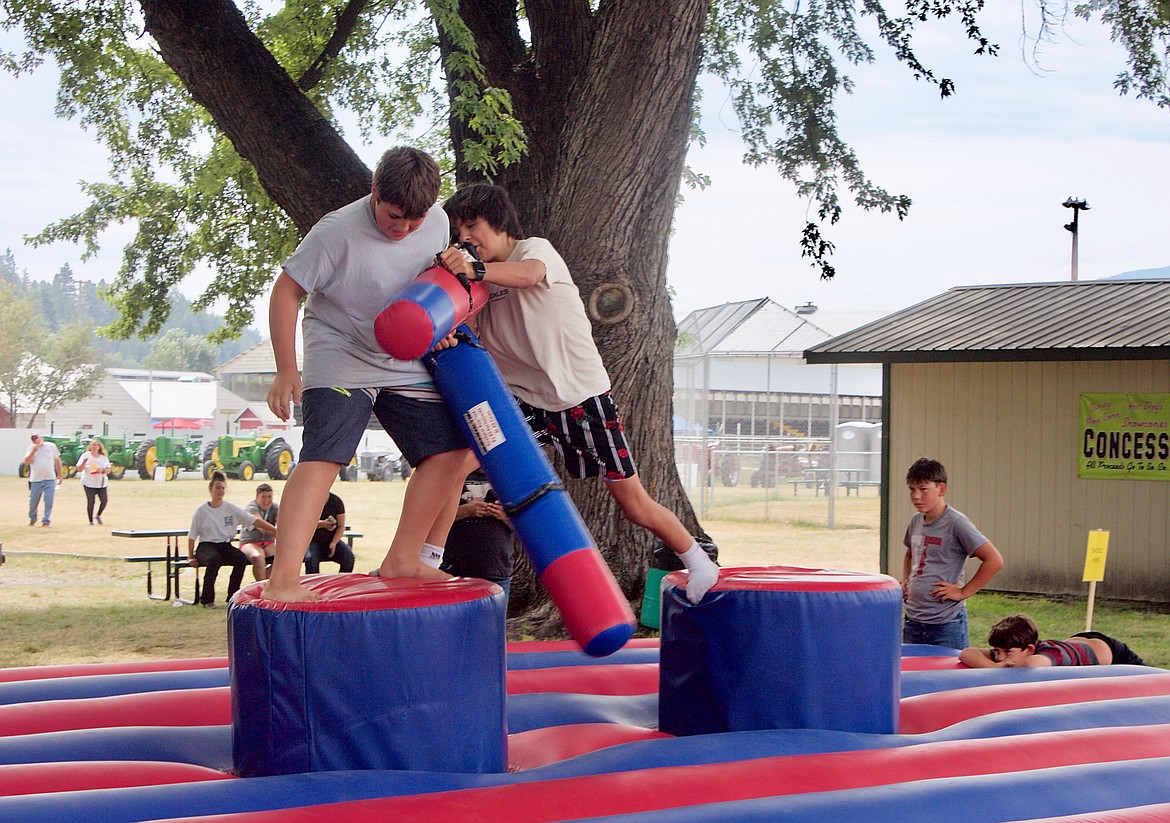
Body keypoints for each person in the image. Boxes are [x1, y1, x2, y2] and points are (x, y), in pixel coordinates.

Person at [438, 183, 719, 605]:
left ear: (497, 221)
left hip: (581, 399)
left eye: (472, 225)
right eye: (458, 231)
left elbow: (530, 275)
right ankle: (427, 557)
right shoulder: (481, 284)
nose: (466, 237)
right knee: (457, 465)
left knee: (634, 504)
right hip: (525, 405)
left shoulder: (534, 251)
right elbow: (472, 331)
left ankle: (698, 561)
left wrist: (474, 270)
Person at [264, 146, 469, 603]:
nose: (403, 229)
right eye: (394, 216)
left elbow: (430, 279)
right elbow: (285, 293)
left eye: (413, 221)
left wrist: (440, 323)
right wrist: (285, 369)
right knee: (327, 455)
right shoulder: (336, 233)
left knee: (452, 451)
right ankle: (283, 580)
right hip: (340, 351)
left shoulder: (435, 221)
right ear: (374, 192)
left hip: (399, 356)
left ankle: (403, 558)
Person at [901, 457, 1004, 649]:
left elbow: (994, 560)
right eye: (911, 489)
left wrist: (963, 592)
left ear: (941, 489)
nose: (916, 496)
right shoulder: (916, 521)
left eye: (923, 489)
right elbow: (910, 553)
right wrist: (906, 580)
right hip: (913, 621)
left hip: (945, 624)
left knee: (950, 676)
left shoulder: (957, 523)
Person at [188, 471, 278, 608]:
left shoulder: (230, 508)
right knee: (214, 560)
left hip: (224, 545)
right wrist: (191, 557)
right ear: (210, 489)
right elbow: (192, 535)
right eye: (217, 488)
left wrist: (276, 531)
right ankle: (207, 599)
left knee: (240, 559)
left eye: (222, 488)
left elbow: (255, 521)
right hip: (206, 546)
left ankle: (233, 596)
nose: (220, 491)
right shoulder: (202, 511)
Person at [959, 613, 1146, 668]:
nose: (1000, 657)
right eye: (997, 651)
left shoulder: (1048, 655)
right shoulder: (1010, 653)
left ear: (1029, 649)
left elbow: (1031, 665)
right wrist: (996, 666)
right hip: (1076, 642)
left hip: (1112, 652)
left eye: (1007, 652)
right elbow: (966, 653)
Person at [440, 470, 515, 604]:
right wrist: (466, 511)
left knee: (493, 622)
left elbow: (527, 527)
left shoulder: (505, 475)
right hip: (456, 568)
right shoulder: (455, 473)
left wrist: (506, 517)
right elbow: (435, 519)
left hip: (496, 568)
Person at [303, 492, 354, 574]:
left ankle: (341, 583)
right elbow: (302, 525)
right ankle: (313, 585)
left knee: (349, 557)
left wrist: (334, 542)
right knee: (311, 560)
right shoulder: (308, 501)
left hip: (331, 539)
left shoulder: (336, 501)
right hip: (312, 540)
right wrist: (321, 524)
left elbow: (341, 526)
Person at [238, 483, 279, 581]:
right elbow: (261, 526)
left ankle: (263, 582)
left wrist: (279, 531)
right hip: (250, 542)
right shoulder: (251, 507)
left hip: (268, 542)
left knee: (284, 558)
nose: (267, 500)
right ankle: (261, 586)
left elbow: (280, 524)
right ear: (257, 497)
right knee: (258, 557)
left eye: (269, 496)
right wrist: (278, 533)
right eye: (263, 497)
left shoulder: (275, 507)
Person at [23, 433, 63, 527]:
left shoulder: (51, 446)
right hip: (36, 479)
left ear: (41, 438)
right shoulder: (31, 448)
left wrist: (60, 475)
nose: (36, 440)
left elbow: (57, 460)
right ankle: (33, 518)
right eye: (34, 439)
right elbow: (26, 462)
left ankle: (46, 520)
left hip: (49, 478)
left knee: (48, 500)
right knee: (33, 501)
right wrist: (33, 452)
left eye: (37, 437)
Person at [75, 437, 111, 525]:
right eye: (93, 444)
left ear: (99, 447)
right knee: (91, 501)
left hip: (100, 483)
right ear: (90, 446)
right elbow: (79, 469)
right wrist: (84, 463)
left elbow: (108, 469)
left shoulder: (103, 458)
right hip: (88, 482)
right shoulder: (85, 456)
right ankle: (90, 521)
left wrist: (102, 470)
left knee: (104, 500)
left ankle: (98, 515)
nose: (94, 446)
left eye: (96, 445)